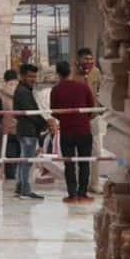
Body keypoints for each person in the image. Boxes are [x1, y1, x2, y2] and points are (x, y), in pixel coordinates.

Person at [51, 60, 95, 204]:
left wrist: (65, 119)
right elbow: (91, 107)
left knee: (69, 164)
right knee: (84, 163)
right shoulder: (83, 86)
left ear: (58, 73)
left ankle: (72, 194)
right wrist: (83, 119)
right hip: (84, 130)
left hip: (67, 131)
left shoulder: (56, 90)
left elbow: (54, 111)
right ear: (70, 72)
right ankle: (83, 193)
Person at [12, 63, 56, 200]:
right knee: (27, 161)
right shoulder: (23, 92)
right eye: (30, 76)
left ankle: (20, 186)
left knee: (24, 160)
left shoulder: (24, 90)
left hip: (26, 130)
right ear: (22, 76)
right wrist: (46, 124)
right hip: (28, 131)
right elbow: (32, 113)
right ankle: (25, 190)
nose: (33, 79)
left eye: (34, 76)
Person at [76, 47, 103, 194]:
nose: (89, 61)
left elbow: (100, 90)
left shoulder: (96, 72)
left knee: (97, 150)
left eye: (91, 59)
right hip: (78, 118)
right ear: (79, 59)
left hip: (93, 117)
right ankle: (79, 183)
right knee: (79, 152)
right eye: (86, 59)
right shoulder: (73, 74)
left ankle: (95, 183)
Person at [0, 69, 20, 181]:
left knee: (8, 161)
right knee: (22, 160)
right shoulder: (24, 90)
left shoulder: (1, 93)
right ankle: (20, 183)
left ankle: (10, 183)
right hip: (22, 130)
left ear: (5, 79)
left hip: (7, 132)